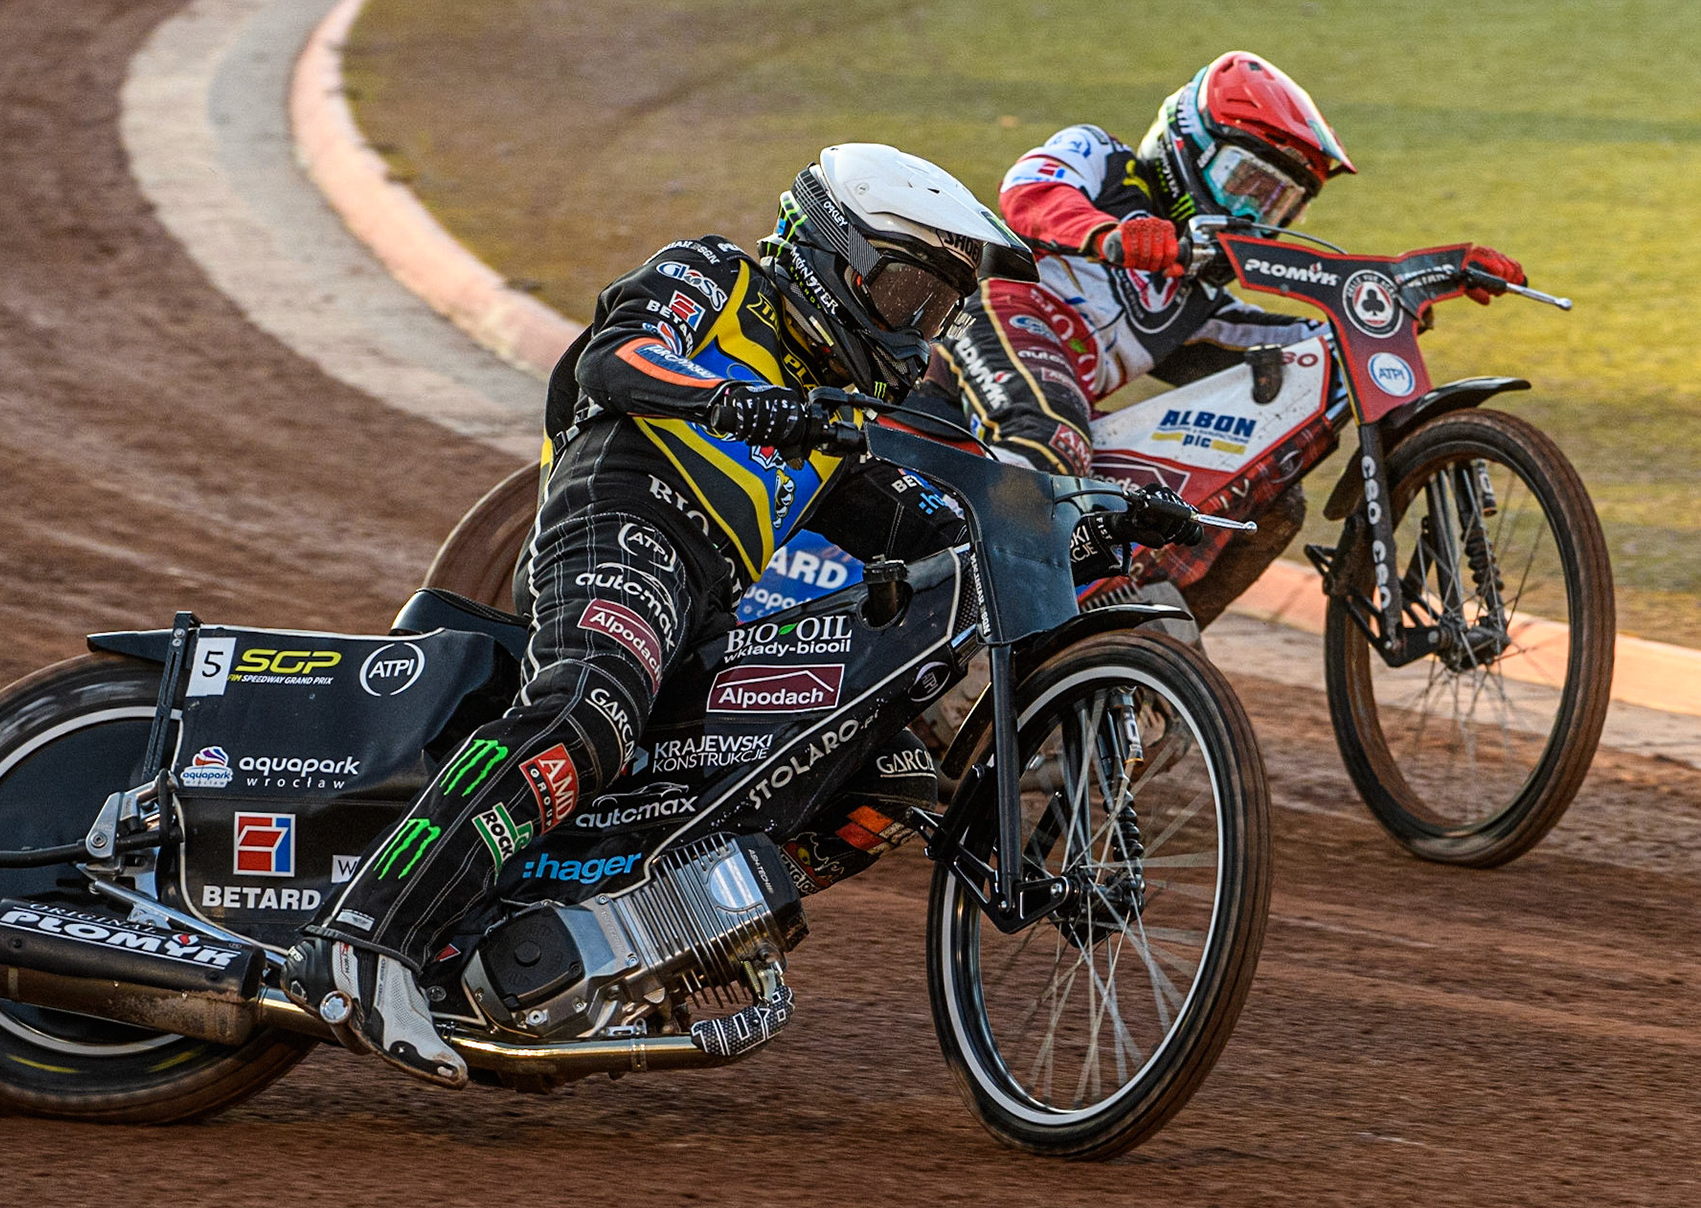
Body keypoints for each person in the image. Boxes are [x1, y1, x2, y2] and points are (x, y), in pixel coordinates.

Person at [281, 144, 1199, 1087]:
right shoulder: (715, 274)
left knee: (894, 775)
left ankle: (637, 934)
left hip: (707, 599)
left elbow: (933, 522)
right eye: (904, 298)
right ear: (833, 253)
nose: (916, 329)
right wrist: (736, 401)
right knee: (588, 710)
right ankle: (361, 939)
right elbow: (615, 361)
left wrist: (1087, 524)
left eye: (937, 311)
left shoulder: (834, 422)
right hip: (621, 517)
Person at [933, 50, 1528, 621]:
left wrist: (1388, 306)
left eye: (1277, 204)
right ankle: (958, 609)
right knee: (1050, 439)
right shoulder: (1099, 154)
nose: (1252, 215)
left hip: (1059, 397)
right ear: (1185, 144)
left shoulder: (1201, 304)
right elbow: (1028, 194)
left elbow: (1305, 339)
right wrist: (1110, 234)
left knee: (1272, 510)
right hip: (986, 311)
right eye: (1244, 183)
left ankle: (1128, 661)